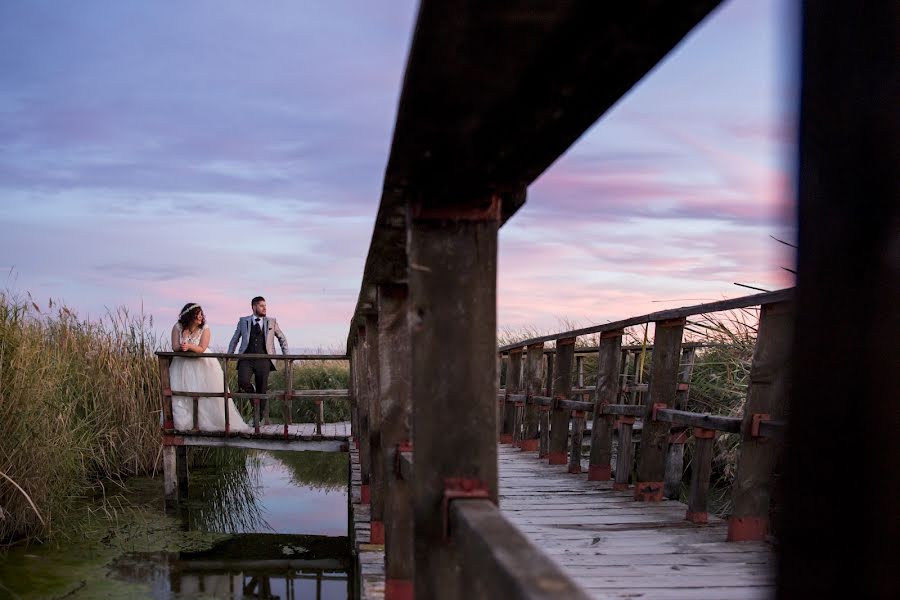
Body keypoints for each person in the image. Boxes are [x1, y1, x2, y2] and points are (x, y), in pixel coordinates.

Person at [170, 303, 250, 432]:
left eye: (202, 314)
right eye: (198, 314)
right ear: (190, 315)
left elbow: (202, 348)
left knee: (205, 391)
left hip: (203, 363)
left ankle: (211, 422)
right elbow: (174, 347)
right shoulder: (178, 327)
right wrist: (182, 346)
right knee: (183, 391)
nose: (201, 316)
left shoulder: (205, 328)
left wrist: (189, 346)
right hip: (181, 364)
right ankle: (185, 422)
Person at [227, 296, 289, 424]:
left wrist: (286, 355)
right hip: (246, 358)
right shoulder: (243, 321)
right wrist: (229, 354)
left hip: (264, 359)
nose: (265, 308)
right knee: (243, 382)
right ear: (254, 307)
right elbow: (235, 339)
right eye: (261, 305)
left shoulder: (272, 321)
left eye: (265, 306)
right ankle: (253, 396)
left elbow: (282, 338)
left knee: (263, 389)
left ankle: (258, 417)